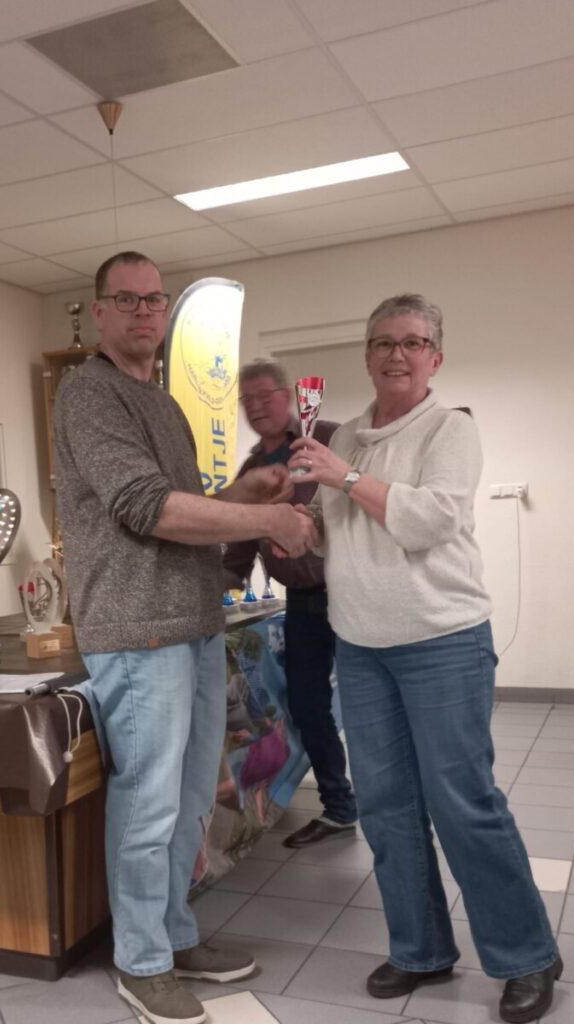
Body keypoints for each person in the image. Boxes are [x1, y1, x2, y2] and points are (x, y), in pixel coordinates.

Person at [53, 251, 317, 1024]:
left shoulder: (163, 405)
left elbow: (184, 508)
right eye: (126, 299)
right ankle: (139, 961)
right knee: (147, 804)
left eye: (154, 299)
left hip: (194, 623)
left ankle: (171, 935)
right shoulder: (88, 393)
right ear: (99, 312)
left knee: (192, 798)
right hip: (136, 631)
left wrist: (242, 491)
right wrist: (268, 518)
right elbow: (146, 508)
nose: (143, 312)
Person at [287, 294, 561, 1024]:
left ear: (435, 358)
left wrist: (343, 478)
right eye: (383, 342)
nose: (396, 354)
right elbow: (338, 531)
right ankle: (420, 949)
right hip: (361, 646)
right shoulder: (345, 433)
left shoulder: (450, 428)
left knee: (462, 804)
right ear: (367, 355)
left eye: (412, 342)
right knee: (385, 808)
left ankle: (526, 955)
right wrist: (295, 521)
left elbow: (431, 519)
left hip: (442, 643)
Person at [223, 359, 357, 846]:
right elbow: (237, 554)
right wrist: (198, 591)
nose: (257, 407)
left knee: (371, 707)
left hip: (353, 597)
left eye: (266, 396)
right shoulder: (251, 472)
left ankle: (396, 809)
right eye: (248, 400)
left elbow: (367, 501)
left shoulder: (332, 438)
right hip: (301, 606)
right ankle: (340, 807)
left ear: (288, 395)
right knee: (307, 708)